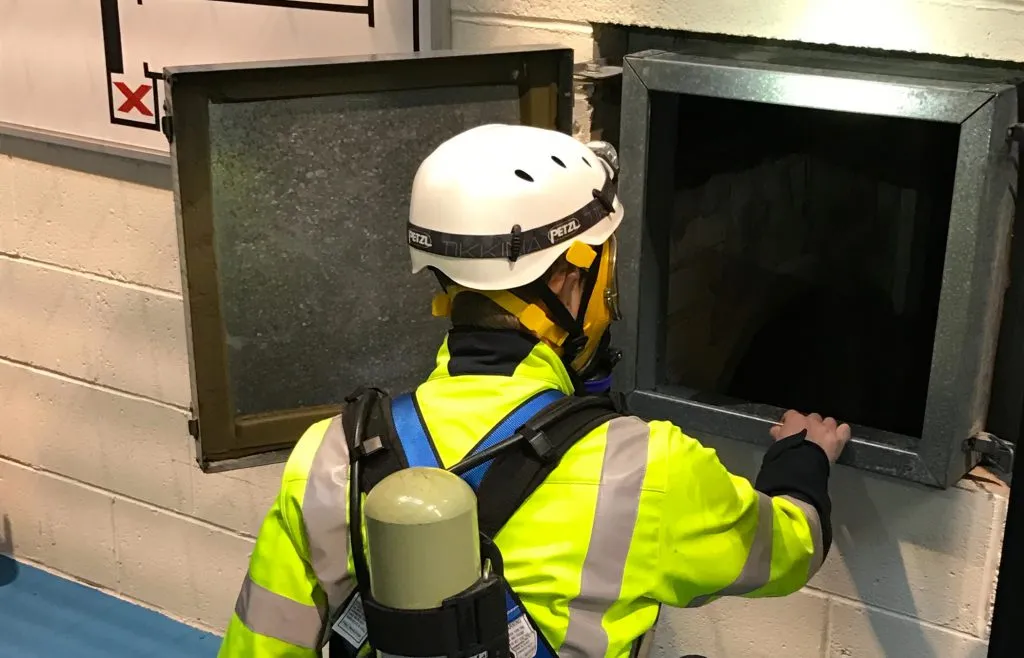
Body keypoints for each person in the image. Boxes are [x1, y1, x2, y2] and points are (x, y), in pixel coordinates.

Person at [217, 124, 851, 658]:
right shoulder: (649, 468)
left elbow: (260, 644)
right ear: (574, 277)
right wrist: (804, 459)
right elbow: (789, 550)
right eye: (605, 260)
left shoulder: (333, 455)